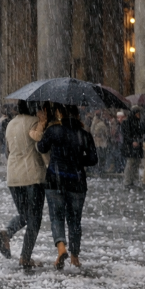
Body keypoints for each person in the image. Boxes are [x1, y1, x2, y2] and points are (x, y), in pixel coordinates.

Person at [36, 104, 97, 269]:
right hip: (76, 182)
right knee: (75, 220)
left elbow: (41, 147)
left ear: (60, 114)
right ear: (77, 116)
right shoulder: (84, 135)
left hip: (55, 179)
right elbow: (93, 159)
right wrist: (76, 160)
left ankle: (61, 247)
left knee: (56, 217)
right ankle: (75, 256)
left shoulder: (54, 131)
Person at [0, 100, 47, 268]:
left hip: (13, 176)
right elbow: (40, 147)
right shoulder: (34, 123)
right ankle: (25, 256)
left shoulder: (10, 124)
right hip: (32, 175)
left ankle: (7, 232)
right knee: (34, 219)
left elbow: (8, 150)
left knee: (24, 214)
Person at [121, 107, 144, 189]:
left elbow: (141, 133)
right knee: (130, 164)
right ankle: (127, 182)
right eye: (137, 114)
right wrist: (132, 141)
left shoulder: (138, 123)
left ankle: (133, 180)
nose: (139, 115)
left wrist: (139, 140)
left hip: (137, 146)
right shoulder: (127, 123)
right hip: (130, 147)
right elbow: (126, 135)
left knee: (136, 164)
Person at [90, 111, 109, 176]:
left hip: (97, 142)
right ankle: (99, 170)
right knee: (101, 157)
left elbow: (92, 131)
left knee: (98, 157)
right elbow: (106, 133)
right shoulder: (102, 123)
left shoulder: (94, 123)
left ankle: (97, 170)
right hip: (101, 143)